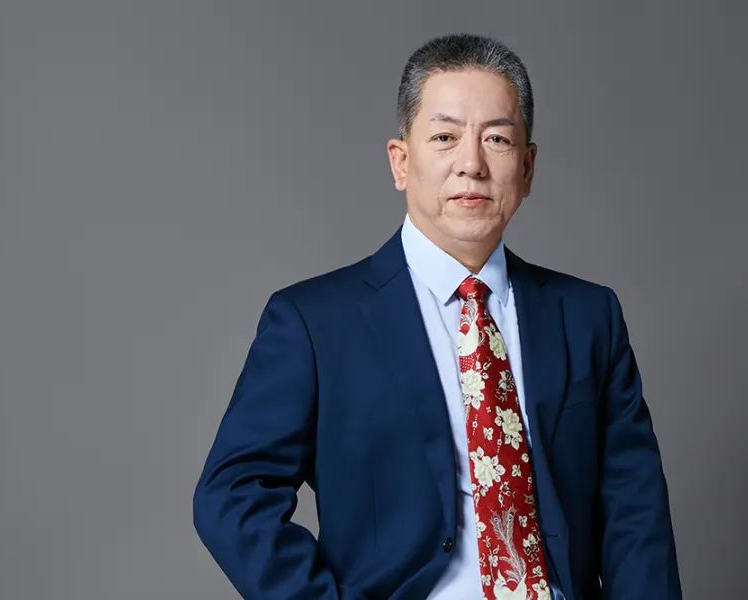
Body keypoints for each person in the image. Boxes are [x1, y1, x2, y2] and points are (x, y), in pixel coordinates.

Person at [193, 33, 682, 600]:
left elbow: (635, 510)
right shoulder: (314, 323)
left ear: (527, 168)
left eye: (496, 139)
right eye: (445, 137)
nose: (471, 164)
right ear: (401, 161)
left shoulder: (589, 316)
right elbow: (232, 495)